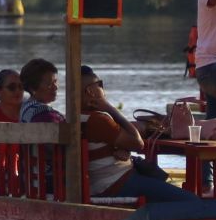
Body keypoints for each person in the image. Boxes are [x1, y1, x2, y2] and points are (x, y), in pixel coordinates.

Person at [77, 68, 189, 202]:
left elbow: (107, 141)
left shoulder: (75, 117)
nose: (103, 89)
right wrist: (110, 108)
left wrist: (121, 148)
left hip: (102, 183)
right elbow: (138, 144)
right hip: (117, 183)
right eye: (100, 85)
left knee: (166, 187)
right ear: (91, 91)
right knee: (190, 201)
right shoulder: (98, 120)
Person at [18, 58, 64, 123]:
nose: (55, 87)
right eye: (49, 84)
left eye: (55, 82)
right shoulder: (43, 113)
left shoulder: (25, 107)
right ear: (33, 88)